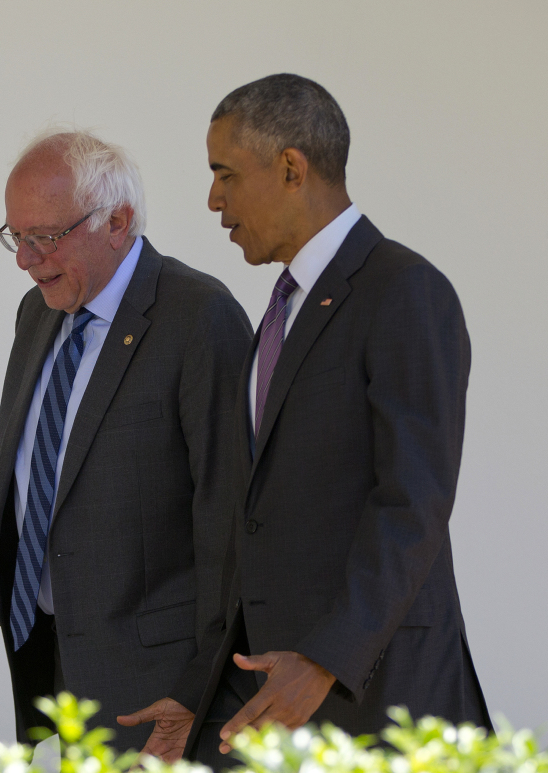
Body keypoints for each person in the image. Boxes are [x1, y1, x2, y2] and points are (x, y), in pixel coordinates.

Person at [119, 74, 491, 768]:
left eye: (224, 173)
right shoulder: (281, 310)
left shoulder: (403, 290)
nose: (212, 200)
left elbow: (413, 502)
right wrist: (198, 689)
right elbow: (250, 527)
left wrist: (323, 660)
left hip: (378, 703)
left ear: (291, 166)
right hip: (275, 711)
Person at [0, 129, 252, 750]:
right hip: (57, 677)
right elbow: (3, 490)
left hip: (169, 696)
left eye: (45, 238)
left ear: (118, 221)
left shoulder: (199, 317)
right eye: (15, 238)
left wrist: (200, 690)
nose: (25, 260)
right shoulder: (39, 314)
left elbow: (233, 522)